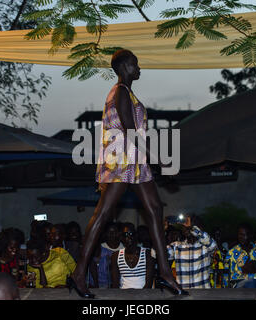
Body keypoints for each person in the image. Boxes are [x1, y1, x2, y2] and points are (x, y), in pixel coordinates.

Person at [68, 49, 187, 298]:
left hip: (135, 160)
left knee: (155, 209)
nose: (139, 67)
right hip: (121, 159)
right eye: (135, 64)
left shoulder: (128, 93)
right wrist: (162, 162)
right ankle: (79, 274)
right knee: (102, 214)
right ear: (123, 67)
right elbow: (131, 131)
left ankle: (165, 273)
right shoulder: (120, 91)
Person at [166, 216, 217, 289]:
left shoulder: (205, 246)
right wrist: (161, 231)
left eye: (190, 225)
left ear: (199, 228)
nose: (186, 227)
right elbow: (156, 253)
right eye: (184, 225)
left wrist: (192, 228)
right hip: (184, 294)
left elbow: (213, 245)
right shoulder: (176, 246)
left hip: (203, 295)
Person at [111, 223, 154, 289]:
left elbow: (148, 284)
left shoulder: (147, 254)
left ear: (136, 235)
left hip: (143, 295)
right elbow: (115, 284)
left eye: (131, 234)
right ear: (121, 238)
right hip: (124, 295)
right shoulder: (116, 256)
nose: (128, 237)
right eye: (125, 235)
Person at [223, 224, 256, 288]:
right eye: (239, 235)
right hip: (238, 285)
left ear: (250, 235)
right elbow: (226, 275)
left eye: (244, 235)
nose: (241, 237)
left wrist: (255, 268)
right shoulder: (232, 253)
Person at [89, 222, 124, 288]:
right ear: (105, 234)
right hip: (97, 285)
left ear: (119, 233)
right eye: (109, 232)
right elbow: (93, 266)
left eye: (114, 232)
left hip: (116, 286)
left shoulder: (124, 249)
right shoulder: (99, 248)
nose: (111, 234)